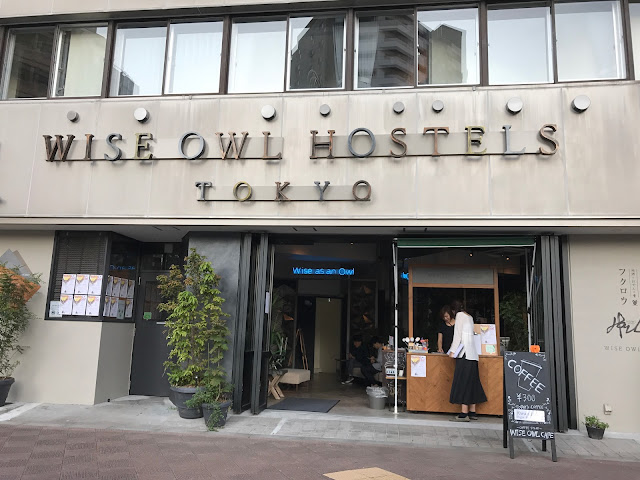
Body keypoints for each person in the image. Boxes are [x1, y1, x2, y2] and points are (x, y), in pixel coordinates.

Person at [448, 300, 487, 421]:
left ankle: (464, 413)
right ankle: (472, 411)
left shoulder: (460, 316)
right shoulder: (469, 317)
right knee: (472, 382)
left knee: (463, 382)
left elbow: (458, 335)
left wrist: (452, 351)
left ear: (454, 310)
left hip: (464, 354)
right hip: (473, 354)